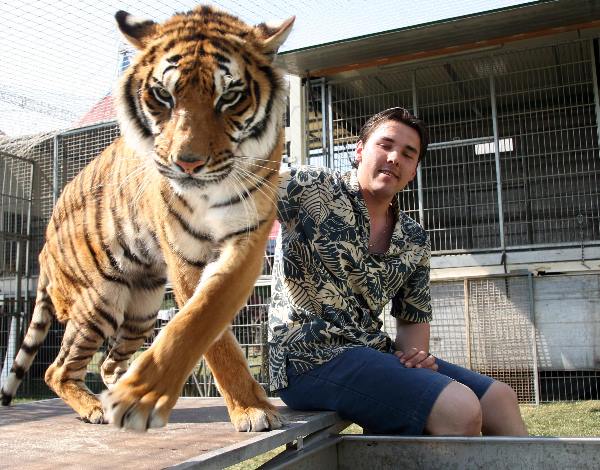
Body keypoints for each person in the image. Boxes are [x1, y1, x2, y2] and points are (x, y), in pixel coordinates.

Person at [268, 107, 527, 436]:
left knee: (500, 400)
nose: (394, 158)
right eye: (385, 145)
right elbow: (240, 189)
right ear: (359, 150)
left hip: (373, 351)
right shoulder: (310, 187)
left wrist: (416, 360)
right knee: (459, 410)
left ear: (414, 170)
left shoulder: (414, 237)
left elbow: (412, 319)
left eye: (408, 153)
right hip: (305, 358)